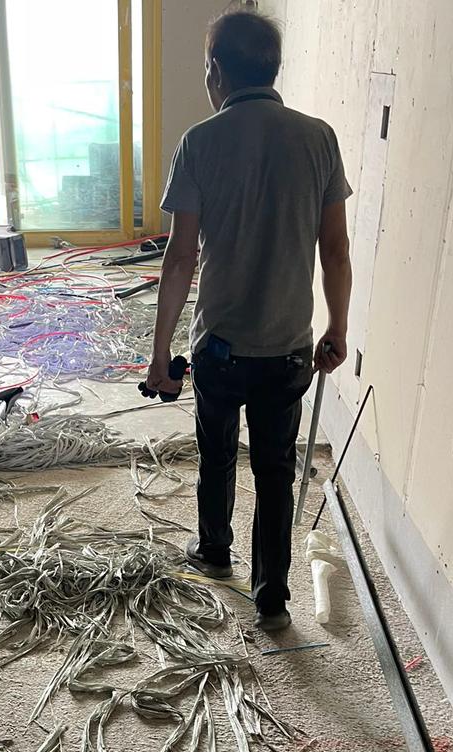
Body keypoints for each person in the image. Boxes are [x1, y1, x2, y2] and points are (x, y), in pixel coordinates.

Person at [146, 8, 352, 630]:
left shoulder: (199, 142)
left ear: (216, 71)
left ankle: (214, 550)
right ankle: (271, 597)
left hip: (219, 347)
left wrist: (159, 355)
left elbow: (181, 258)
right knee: (275, 471)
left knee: (216, 454)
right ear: (273, 68)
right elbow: (335, 248)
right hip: (287, 349)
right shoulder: (319, 138)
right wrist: (337, 328)